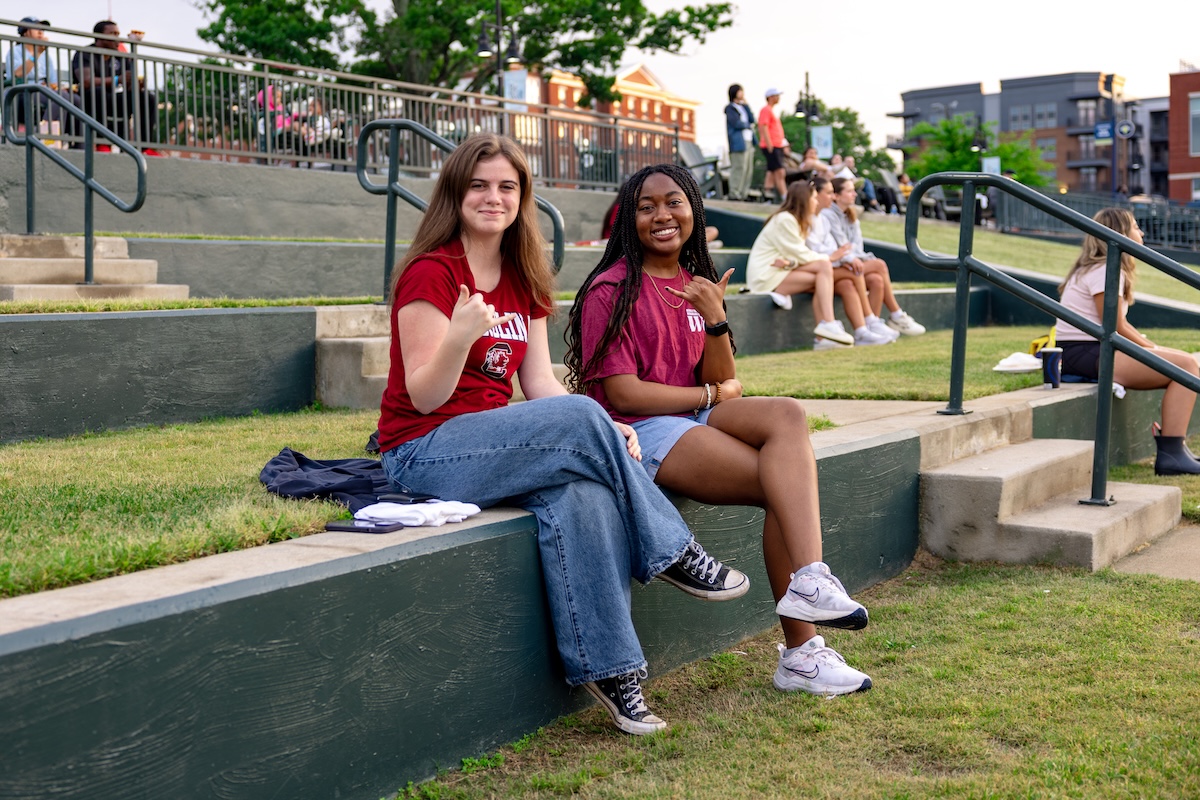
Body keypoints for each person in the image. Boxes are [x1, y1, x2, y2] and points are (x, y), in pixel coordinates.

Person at [376, 134, 750, 736]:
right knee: (584, 420)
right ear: (454, 192)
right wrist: (460, 336)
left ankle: (611, 669)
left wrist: (608, 426)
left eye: (507, 186)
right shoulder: (431, 271)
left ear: (522, 197)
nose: (493, 198)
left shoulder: (523, 275)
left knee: (588, 493)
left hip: (500, 447)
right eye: (478, 185)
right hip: (425, 451)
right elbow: (423, 395)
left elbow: (540, 383)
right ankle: (673, 550)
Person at [566, 163, 872, 697]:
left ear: (694, 211)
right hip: (639, 429)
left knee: (788, 416)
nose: (662, 215)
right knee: (781, 485)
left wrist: (715, 319)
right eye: (646, 206)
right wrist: (710, 397)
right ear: (627, 220)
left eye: (674, 202)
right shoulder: (609, 289)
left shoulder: (696, 284)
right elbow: (624, 393)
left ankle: (809, 580)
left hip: (689, 413)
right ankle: (801, 654)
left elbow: (723, 375)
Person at [1055, 208, 1200, 476]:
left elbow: (1116, 327)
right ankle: (1172, 454)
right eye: (1135, 226)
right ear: (1120, 233)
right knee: (1187, 367)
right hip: (1087, 352)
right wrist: (1152, 350)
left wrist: (1152, 348)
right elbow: (1114, 326)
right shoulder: (1105, 268)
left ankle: (1176, 450)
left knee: (1185, 362)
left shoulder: (1101, 266)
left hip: (1089, 350)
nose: (1141, 232)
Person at [746, 180, 856, 346]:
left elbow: (793, 257)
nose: (816, 201)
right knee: (824, 267)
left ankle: (823, 338)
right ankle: (828, 324)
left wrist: (789, 262)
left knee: (822, 279)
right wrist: (830, 258)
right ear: (804, 200)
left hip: (780, 270)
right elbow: (800, 253)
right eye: (813, 198)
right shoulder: (785, 219)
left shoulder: (796, 220)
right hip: (765, 277)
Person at [824, 177, 926, 337]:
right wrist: (855, 257)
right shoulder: (828, 215)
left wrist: (859, 257)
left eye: (854, 191)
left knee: (876, 280)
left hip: (851, 263)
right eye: (849, 191)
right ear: (836, 195)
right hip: (837, 264)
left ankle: (872, 326)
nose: (854, 195)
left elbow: (856, 246)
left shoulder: (851, 215)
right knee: (879, 265)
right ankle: (896, 314)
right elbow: (842, 247)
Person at [807, 177, 892, 346]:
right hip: (817, 269)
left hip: (831, 267)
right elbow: (821, 249)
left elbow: (846, 247)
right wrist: (844, 258)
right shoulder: (822, 216)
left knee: (856, 282)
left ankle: (863, 331)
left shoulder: (828, 218)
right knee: (873, 266)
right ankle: (879, 318)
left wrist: (844, 257)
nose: (854, 194)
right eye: (829, 193)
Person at [71, 20, 159, 148]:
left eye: (118, 34)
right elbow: (86, 81)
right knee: (98, 92)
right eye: (112, 34)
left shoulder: (120, 57)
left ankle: (144, 147)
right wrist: (118, 80)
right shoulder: (85, 53)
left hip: (112, 98)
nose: (117, 38)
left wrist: (136, 85)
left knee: (146, 97)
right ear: (99, 36)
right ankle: (101, 143)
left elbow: (127, 84)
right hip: (88, 99)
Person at [3, 17, 82, 143]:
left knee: (76, 100)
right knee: (61, 96)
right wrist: (36, 53)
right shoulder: (15, 51)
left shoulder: (46, 56)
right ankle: (46, 137)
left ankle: (79, 145)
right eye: (37, 28)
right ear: (25, 32)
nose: (41, 32)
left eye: (42, 29)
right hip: (23, 92)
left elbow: (53, 83)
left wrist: (60, 87)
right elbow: (17, 75)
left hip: (44, 91)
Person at [724, 83, 757, 201]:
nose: (742, 93)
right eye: (740, 91)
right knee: (739, 167)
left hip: (749, 141)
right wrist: (747, 125)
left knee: (748, 168)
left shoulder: (742, 107)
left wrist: (747, 106)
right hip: (738, 142)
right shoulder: (730, 108)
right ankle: (734, 193)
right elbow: (736, 123)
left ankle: (744, 193)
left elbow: (752, 119)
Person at [758, 88, 789, 204]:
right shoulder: (766, 110)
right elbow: (763, 126)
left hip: (777, 145)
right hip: (772, 145)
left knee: (771, 171)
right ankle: (785, 196)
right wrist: (769, 143)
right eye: (776, 95)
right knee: (779, 171)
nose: (778, 98)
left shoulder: (771, 110)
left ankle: (767, 195)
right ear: (771, 97)